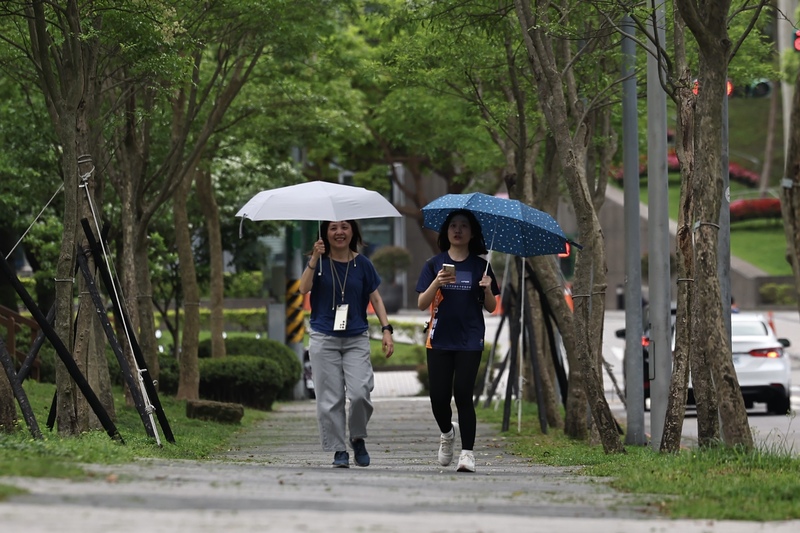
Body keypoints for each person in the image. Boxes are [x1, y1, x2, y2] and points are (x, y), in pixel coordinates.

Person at [299, 220, 395, 468]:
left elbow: (376, 297)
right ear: (325, 233)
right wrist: (314, 258)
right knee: (330, 399)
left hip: (356, 337)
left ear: (352, 231)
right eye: (333, 228)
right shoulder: (318, 262)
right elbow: (303, 289)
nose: (339, 232)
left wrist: (386, 330)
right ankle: (338, 450)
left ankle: (357, 436)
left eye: (344, 227)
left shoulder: (362, 264)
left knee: (360, 392)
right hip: (323, 338)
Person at [415, 209, 500, 473]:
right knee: (439, 399)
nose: (458, 230)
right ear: (446, 232)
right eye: (453, 225)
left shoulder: (480, 266)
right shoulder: (434, 264)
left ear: (472, 233)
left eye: (464, 226)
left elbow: (492, 307)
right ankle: (447, 433)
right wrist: (436, 284)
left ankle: (467, 453)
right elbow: (421, 304)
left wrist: (486, 289)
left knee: (464, 394)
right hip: (439, 338)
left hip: (470, 339)